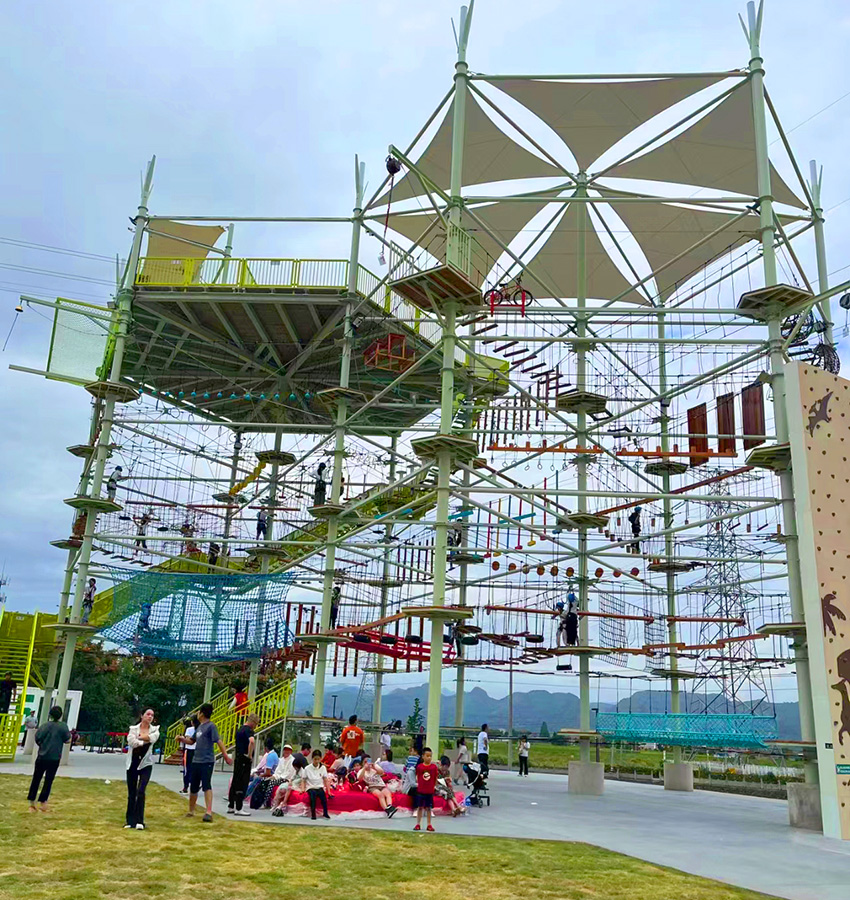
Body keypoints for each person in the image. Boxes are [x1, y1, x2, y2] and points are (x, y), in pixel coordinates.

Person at [178, 702, 232, 822]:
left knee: (206, 785)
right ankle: (191, 810)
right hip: (196, 760)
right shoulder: (199, 727)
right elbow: (192, 741)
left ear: (202, 713)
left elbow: (218, 741)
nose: (197, 714)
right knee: (193, 786)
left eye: (199, 712)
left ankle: (208, 812)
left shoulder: (211, 726)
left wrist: (225, 756)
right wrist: (182, 739)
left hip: (207, 761)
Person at [27, 705, 70, 812]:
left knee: (36, 779)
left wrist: (43, 745)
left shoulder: (44, 726)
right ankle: (43, 803)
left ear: (50, 715)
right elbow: (68, 740)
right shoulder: (63, 726)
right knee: (48, 780)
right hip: (55, 757)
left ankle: (31, 804)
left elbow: (37, 738)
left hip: (42, 756)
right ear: (60, 715)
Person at [125, 708, 159, 830]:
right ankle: (130, 821)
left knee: (141, 791)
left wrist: (141, 738)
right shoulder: (133, 729)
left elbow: (153, 738)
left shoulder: (155, 729)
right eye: (148, 714)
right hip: (133, 762)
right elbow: (131, 742)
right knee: (132, 792)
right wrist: (143, 740)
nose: (150, 717)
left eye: (152, 715)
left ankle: (140, 821)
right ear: (142, 715)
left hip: (146, 763)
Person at [228, 712, 258, 816]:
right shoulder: (249, 730)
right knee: (243, 783)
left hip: (238, 758)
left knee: (235, 781)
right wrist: (249, 755)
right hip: (245, 760)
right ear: (252, 722)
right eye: (256, 724)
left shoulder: (240, 729)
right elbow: (252, 741)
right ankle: (239, 807)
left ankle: (231, 805)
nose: (255, 727)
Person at [299, 749, 331, 820]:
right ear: (312, 759)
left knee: (323, 797)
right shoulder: (307, 768)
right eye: (315, 759)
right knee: (312, 797)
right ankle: (313, 814)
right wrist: (302, 789)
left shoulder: (323, 768)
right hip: (311, 787)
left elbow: (325, 780)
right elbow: (303, 780)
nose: (316, 761)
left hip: (319, 787)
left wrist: (328, 791)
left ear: (320, 759)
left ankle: (325, 813)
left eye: (318, 759)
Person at [413, 747, 438, 832]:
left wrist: (434, 787)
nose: (429, 758)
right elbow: (417, 777)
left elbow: (435, 778)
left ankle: (429, 824)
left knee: (428, 808)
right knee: (420, 807)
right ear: (423, 756)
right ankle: (418, 823)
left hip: (429, 791)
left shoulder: (434, 767)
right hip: (421, 791)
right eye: (427, 756)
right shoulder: (419, 767)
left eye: (430, 756)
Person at [179, 716, 197, 793]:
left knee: (188, 769)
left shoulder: (190, 729)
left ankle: (187, 786)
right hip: (193, 750)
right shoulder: (196, 730)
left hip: (191, 750)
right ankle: (188, 786)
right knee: (190, 768)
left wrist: (181, 738)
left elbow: (187, 739)